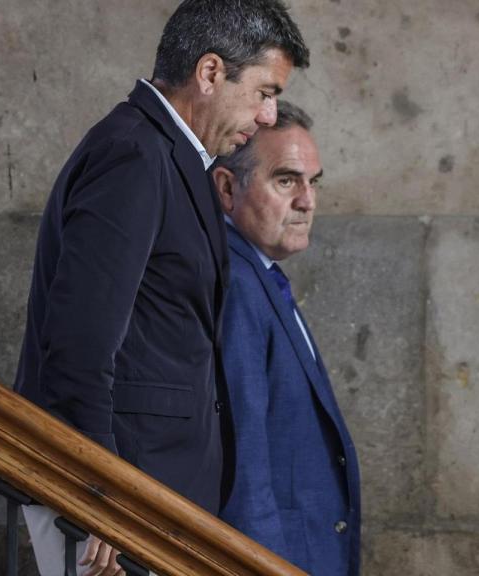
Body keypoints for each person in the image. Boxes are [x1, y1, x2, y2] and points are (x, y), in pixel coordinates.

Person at [11, 1, 309, 574]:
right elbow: (78, 343)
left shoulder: (167, 154)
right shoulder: (134, 153)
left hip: (149, 498)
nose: (270, 116)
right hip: (114, 506)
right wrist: (102, 491)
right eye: (264, 92)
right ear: (211, 72)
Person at [211, 101, 361, 575]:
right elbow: (245, 462)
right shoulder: (236, 283)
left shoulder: (260, 275)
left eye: (312, 182)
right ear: (227, 188)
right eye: (286, 180)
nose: (307, 201)